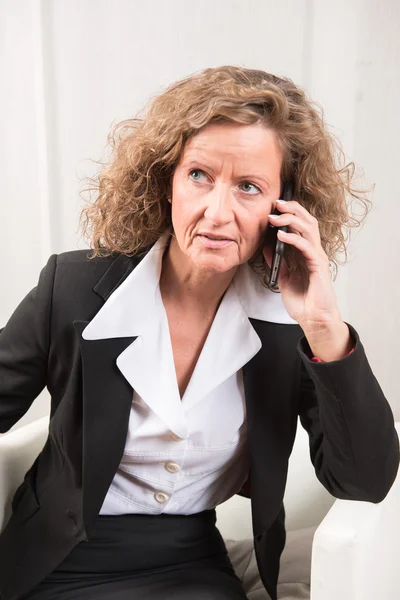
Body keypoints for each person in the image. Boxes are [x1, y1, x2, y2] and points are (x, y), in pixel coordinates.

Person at [0, 65, 398, 600]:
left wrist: (325, 327)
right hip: (60, 554)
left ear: (284, 207)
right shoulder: (72, 287)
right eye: (199, 176)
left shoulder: (286, 326)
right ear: (167, 182)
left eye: (249, 187)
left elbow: (365, 481)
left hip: (188, 560)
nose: (218, 212)